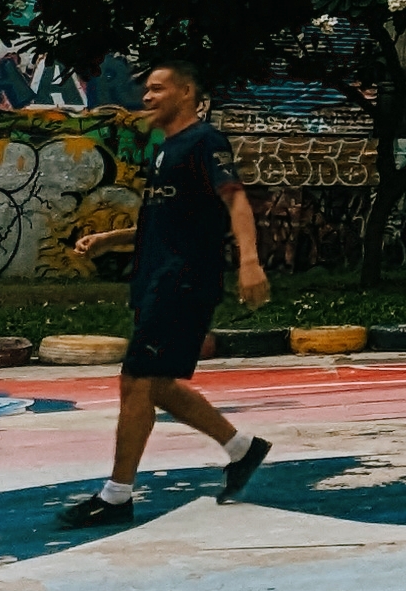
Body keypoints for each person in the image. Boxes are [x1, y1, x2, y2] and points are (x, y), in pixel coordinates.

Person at [56, 60, 273, 525]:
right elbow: (165, 219)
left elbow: (235, 200)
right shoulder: (163, 149)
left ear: (187, 92)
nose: (147, 98)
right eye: (146, 91)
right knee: (156, 382)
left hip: (184, 279)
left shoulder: (205, 141)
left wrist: (250, 262)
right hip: (155, 278)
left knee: (136, 379)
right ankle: (242, 449)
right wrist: (110, 239)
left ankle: (117, 496)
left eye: (157, 89)